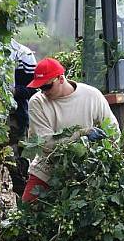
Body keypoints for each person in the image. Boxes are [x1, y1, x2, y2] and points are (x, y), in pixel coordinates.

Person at [23, 57, 119, 203]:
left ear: (61, 79)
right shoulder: (37, 102)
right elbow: (45, 144)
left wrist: (107, 152)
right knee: (27, 210)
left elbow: (113, 131)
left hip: (87, 170)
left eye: (47, 87)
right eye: (40, 88)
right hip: (48, 169)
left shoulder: (92, 96)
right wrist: (81, 133)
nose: (43, 92)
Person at [8, 40, 38, 196]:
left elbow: (33, 88)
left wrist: (15, 91)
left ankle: (22, 199)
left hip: (16, 118)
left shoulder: (22, 54)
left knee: (18, 162)